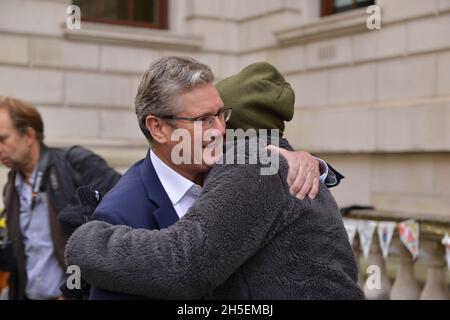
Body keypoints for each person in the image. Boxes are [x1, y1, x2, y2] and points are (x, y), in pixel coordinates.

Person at [64, 60, 362, 299]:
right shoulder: (122, 210)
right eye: (204, 119)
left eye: (223, 116)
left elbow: (185, 264)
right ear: (157, 127)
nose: (219, 130)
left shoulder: (253, 165)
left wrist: (85, 240)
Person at [0, 96, 121, 300]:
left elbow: (121, 218)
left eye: (2, 139)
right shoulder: (11, 187)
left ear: (29, 135)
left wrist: (75, 291)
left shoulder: (76, 164)